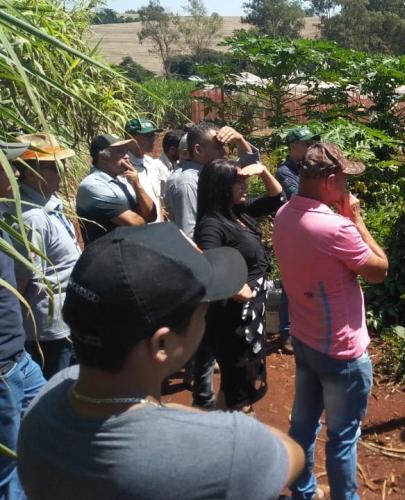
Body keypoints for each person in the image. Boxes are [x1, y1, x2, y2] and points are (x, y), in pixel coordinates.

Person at [16, 222, 305, 500]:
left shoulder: (45, 404)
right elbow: (292, 455)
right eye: (202, 314)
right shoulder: (232, 449)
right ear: (162, 344)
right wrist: (215, 423)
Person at [273, 142, 388, 500]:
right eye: (346, 180)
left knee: (303, 426)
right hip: (342, 352)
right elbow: (379, 270)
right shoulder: (336, 229)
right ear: (331, 180)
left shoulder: (283, 216)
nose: (348, 189)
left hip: (306, 341)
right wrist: (357, 220)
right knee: (342, 437)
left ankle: (304, 492)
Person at [164, 122, 258, 408]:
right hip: (205, 271)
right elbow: (194, 237)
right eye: (219, 145)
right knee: (207, 338)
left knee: (210, 338)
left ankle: (209, 393)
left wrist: (242, 142)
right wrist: (224, 276)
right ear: (198, 149)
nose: (225, 149)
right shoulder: (187, 182)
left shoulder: (206, 174)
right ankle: (204, 400)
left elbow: (248, 172)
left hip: (217, 267)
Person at [193, 159, 284, 413]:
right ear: (220, 187)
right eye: (237, 182)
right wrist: (234, 286)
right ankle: (236, 438)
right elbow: (204, 264)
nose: (244, 186)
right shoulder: (212, 224)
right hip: (232, 319)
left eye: (244, 180)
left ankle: (224, 430)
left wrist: (264, 170)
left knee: (235, 383)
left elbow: (277, 198)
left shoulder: (239, 212)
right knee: (239, 386)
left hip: (249, 315)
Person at [0, 140, 47, 500]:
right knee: (9, 469)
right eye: (7, 166)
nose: (16, 173)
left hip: (20, 359)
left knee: (45, 434)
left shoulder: (4, 221)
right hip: (3, 368)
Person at [12, 133, 81, 379]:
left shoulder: (49, 204)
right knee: (55, 386)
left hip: (64, 320)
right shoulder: (33, 218)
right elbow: (23, 279)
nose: (61, 171)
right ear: (32, 173)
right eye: (54, 166)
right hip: (48, 329)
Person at [274, 126, 319, 342]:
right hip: (292, 232)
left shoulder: (307, 168)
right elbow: (299, 196)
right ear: (293, 147)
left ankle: (303, 329)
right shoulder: (284, 172)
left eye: (312, 143)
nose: (311, 147)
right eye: (307, 144)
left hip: (309, 229)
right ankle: (286, 333)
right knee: (290, 283)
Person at [75, 134, 157, 244]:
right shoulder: (93, 186)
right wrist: (142, 216)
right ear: (103, 156)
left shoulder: (123, 180)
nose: (127, 156)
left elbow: (151, 215)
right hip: (106, 256)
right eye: (120, 151)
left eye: (126, 151)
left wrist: (137, 184)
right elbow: (136, 224)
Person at [124, 118, 168, 222]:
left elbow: (157, 198)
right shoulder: (124, 167)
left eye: (153, 135)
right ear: (130, 138)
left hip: (158, 229)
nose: (153, 139)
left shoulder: (152, 164)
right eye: (147, 136)